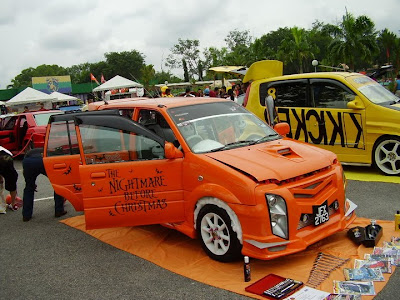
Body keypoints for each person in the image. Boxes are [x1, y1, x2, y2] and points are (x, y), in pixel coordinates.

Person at [22, 148, 67, 222]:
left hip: (28, 162)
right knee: (57, 184)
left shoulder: (31, 152)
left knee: (28, 188)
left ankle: (26, 215)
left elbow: (25, 174)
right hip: (43, 160)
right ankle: (59, 210)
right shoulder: (52, 151)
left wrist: (31, 183)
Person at [0, 146, 18, 213]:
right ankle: (13, 204)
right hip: (7, 160)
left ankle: (5, 205)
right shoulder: (7, 153)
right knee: (12, 182)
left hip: (7, 160)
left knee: (11, 182)